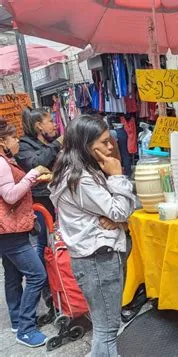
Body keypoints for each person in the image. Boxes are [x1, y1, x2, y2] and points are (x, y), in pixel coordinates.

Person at [49, 114, 135, 357]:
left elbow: (121, 209)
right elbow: (120, 209)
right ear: (86, 146)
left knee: (104, 327)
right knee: (108, 329)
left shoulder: (79, 171)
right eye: (105, 142)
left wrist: (119, 217)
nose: (111, 147)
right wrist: (117, 176)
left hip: (97, 258)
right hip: (98, 259)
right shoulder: (81, 179)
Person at [0, 118, 49, 347]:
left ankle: (17, 320)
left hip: (7, 230)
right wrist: (32, 175)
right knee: (37, 274)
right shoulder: (1, 163)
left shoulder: (5, 161)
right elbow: (10, 195)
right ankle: (26, 329)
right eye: (14, 137)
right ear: (3, 141)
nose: (17, 141)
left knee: (12, 275)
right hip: (10, 230)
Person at [16, 108, 62, 314]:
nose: (54, 124)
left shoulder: (47, 143)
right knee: (44, 244)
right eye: (49, 121)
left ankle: (63, 283)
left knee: (58, 241)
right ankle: (49, 292)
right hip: (41, 201)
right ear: (38, 126)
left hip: (58, 196)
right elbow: (35, 163)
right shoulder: (25, 146)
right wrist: (57, 144)